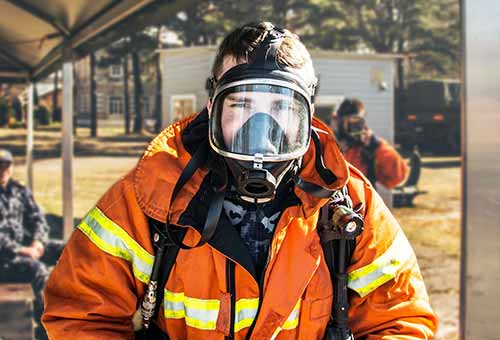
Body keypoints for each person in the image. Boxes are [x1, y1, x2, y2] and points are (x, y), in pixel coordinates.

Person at [43, 22, 437, 339]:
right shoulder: (151, 197)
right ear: (213, 105)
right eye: (242, 104)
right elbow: (79, 315)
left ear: (307, 114)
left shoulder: (348, 205)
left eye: (282, 107)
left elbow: (400, 322)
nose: (261, 128)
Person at [0, 148, 64, 340]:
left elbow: (38, 219)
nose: (3, 170)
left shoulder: (19, 191)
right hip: (5, 257)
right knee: (37, 271)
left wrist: (38, 242)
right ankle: (48, 328)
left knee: (70, 250)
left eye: (6, 166)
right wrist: (22, 250)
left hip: (28, 247)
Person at [330, 98, 409, 190]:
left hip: (361, 202)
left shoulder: (367, 150)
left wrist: (376, 146)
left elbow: (398, 176)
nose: (354, 127)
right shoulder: (327, 146)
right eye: (350, 122)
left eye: (358, 122)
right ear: (339, 121)